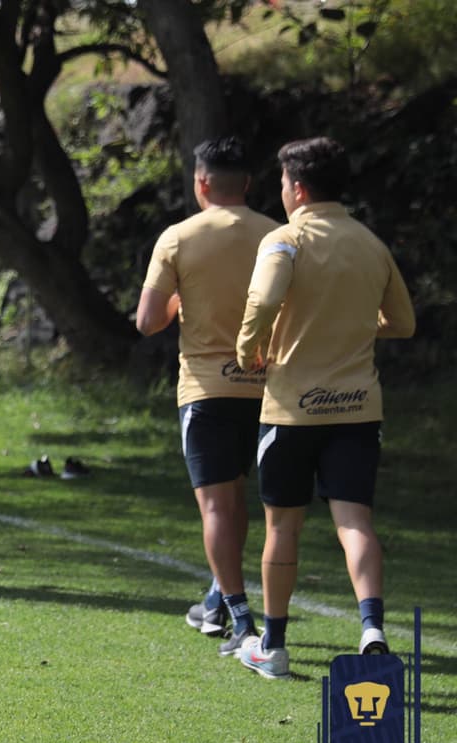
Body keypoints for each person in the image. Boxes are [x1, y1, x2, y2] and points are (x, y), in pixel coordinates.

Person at [234, 136, 414, 679]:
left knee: (282, 527)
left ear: (299, 188)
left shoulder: (284, 239)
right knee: (354, 520)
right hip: (359, 409)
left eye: (284, 183)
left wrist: (249, 351)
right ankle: (372, 627)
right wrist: (357, 328)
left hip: (291, 409)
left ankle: (274, 645)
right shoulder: (370, 243)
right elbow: (402, 323)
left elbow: (264, 300)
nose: (282, 192)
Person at [136, 137, 279, 656]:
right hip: (269, 389)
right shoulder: (278, 234)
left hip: (206, 389)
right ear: (248, 183)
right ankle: (217, 601)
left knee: (217, 506)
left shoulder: (178, 237)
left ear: (201, 183)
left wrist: (176, 303)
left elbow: (147, 321)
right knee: (240, 498)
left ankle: (240, 618)